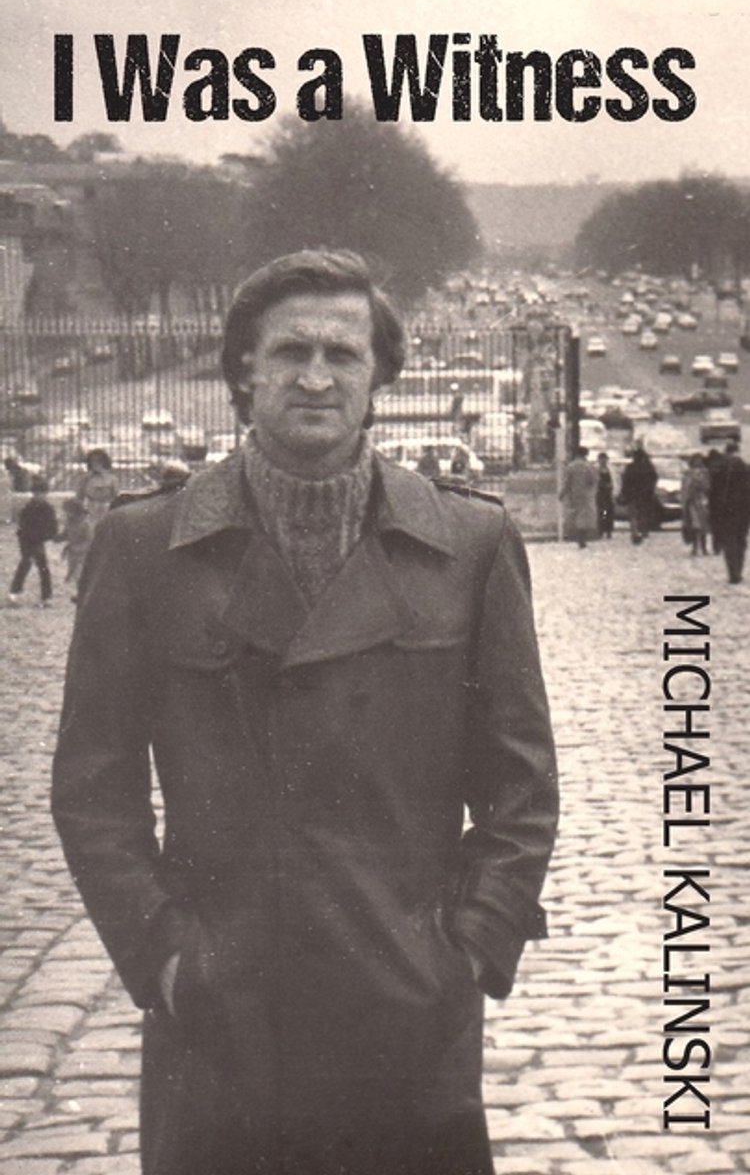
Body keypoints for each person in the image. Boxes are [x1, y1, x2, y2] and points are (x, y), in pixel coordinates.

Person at [52, 250, 558, 1175]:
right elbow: (92, 790)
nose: (316, 377)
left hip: (408, 1023)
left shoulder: (472, 543)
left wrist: (469, 952)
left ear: (379, 375)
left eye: (342, 353)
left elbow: (522, 787)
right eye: (290, 351)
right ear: (244, 370)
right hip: (222, 1026)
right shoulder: (143, 546)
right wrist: (166, 956)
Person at [8, 475, 58, 607]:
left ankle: (46, 597)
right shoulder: (28, 508)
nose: (39, 496)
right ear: (33, 493)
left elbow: (53, 527)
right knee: (25, 564)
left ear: (46, 494)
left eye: (42, 493)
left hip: (39, 541)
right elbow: (23, 527)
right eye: (36, 493)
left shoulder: (48, 509)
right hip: (27, 541)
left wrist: (48, 536)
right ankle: (14, 594)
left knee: (43, 568)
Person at [711, 440, 750, 583]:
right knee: (741, 540)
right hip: (743, 510)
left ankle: (733, 572)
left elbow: (713, 492)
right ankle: (738, 569)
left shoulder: (719, 469)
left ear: (726, 451)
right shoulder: (745, 468)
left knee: (730, 540)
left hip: (725, 510)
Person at [619, 443, 658, 545]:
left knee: (633, 515)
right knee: (643, 513)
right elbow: (653, 479)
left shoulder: (630, 467)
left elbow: (625, 481)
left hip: (632, 494)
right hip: (645, 495)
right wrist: (650, 490)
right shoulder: (648, 468)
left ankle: (634, 532)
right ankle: (643, 530)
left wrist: (624, 493)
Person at [560, 445, 597, 547]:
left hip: (573, 494)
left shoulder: (571, 466)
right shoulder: (589, 466)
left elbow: (567, 482)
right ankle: (582, 538)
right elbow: (592, 480)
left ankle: (574, 535)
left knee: (575, 514)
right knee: (584, 516)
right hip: (586, 494)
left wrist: (563, 493)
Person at [58, 497, 94, 599]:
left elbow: (89, 541)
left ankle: (84, 595)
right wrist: (56, 537)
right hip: (72, 554)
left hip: (83, 554)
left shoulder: (85, 524)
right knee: (74, 574)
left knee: (80, 574)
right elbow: (65, 534)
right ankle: (81, 594)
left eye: (68, 511)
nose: (66, 514)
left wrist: (78, 548)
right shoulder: (69, 522)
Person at [75, 448, 119, 528]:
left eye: (99, 461)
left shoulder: (111, 478)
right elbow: (79, 496)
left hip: (107, 507)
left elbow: (115, 495)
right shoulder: (86, 478)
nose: (96, 463)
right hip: (91, 508)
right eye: (93, 461)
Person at [680, 453, 710, 556]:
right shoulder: (687, 474)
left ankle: (704, 548)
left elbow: (707, 486)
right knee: (694, 526)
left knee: (703, 526)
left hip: (702, 501)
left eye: (700, 460)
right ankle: (694, 548)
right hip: (691, 502)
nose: (698, 462)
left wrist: (699, 484)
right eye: (696, 460)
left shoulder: (705, 472)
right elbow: (684, 488)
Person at [595, 451, 615, 539]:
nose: (603, 461)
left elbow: (614, 481)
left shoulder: (610, 470)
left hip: (608, 495)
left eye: (604, 459)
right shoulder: (595, 470)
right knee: (602, 512)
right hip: (600, 495)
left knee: (608, 513)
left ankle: (608, 530)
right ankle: (601, 530)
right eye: (601, 459)